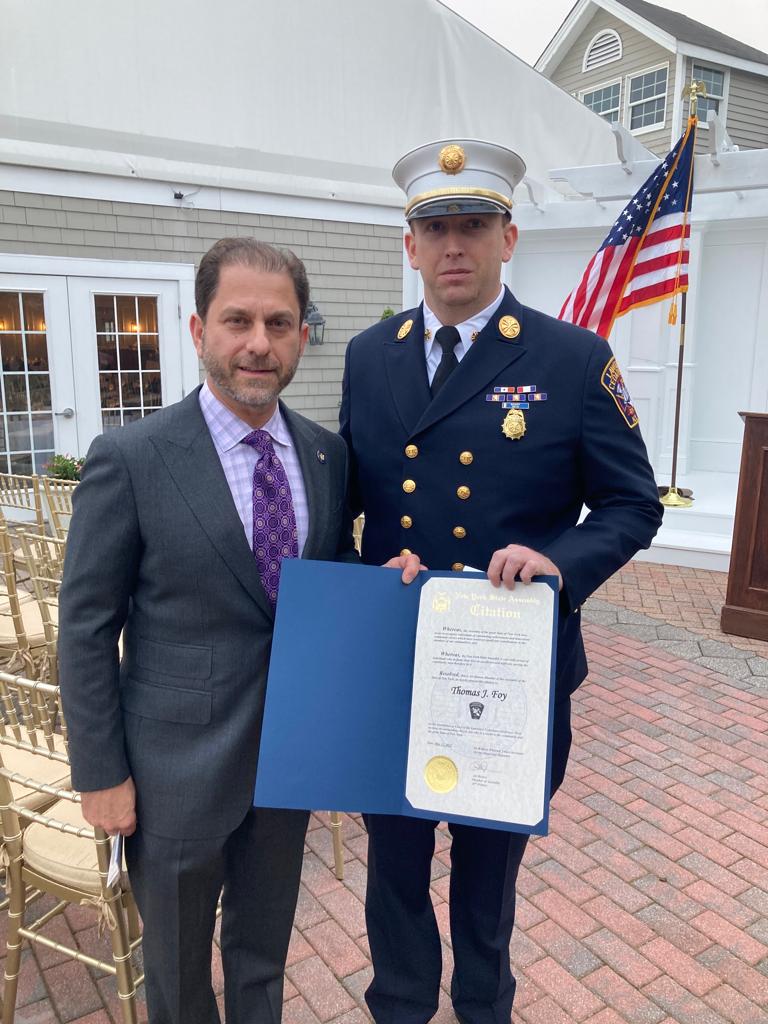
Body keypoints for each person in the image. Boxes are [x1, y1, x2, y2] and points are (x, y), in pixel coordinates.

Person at [340, 139, 663, 1024]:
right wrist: (372, 564)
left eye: (473, 226)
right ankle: (400, 1008)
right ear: (410, 245)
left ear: (507, 238)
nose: (454, 246)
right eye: (435, 227)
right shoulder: (370, 356)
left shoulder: (570, 358)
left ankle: (484, 1010)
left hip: (508, 673)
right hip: (398, 666)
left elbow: (633, 506)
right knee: (394, 873)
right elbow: (353, 505)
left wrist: (562, 563)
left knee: (486, 886)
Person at [59, 237, 418, 1024]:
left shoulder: (326, 456)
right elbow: (85, 628)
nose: (259, 342)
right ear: (198, 331)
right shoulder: (131, 458)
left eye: (280, 323)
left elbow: (329, 569)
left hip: (286, 766)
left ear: (301, 335)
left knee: (262, 959)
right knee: (180, 978)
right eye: (238, 321)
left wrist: (383, 583)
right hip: (171, 776)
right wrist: (100, 775)